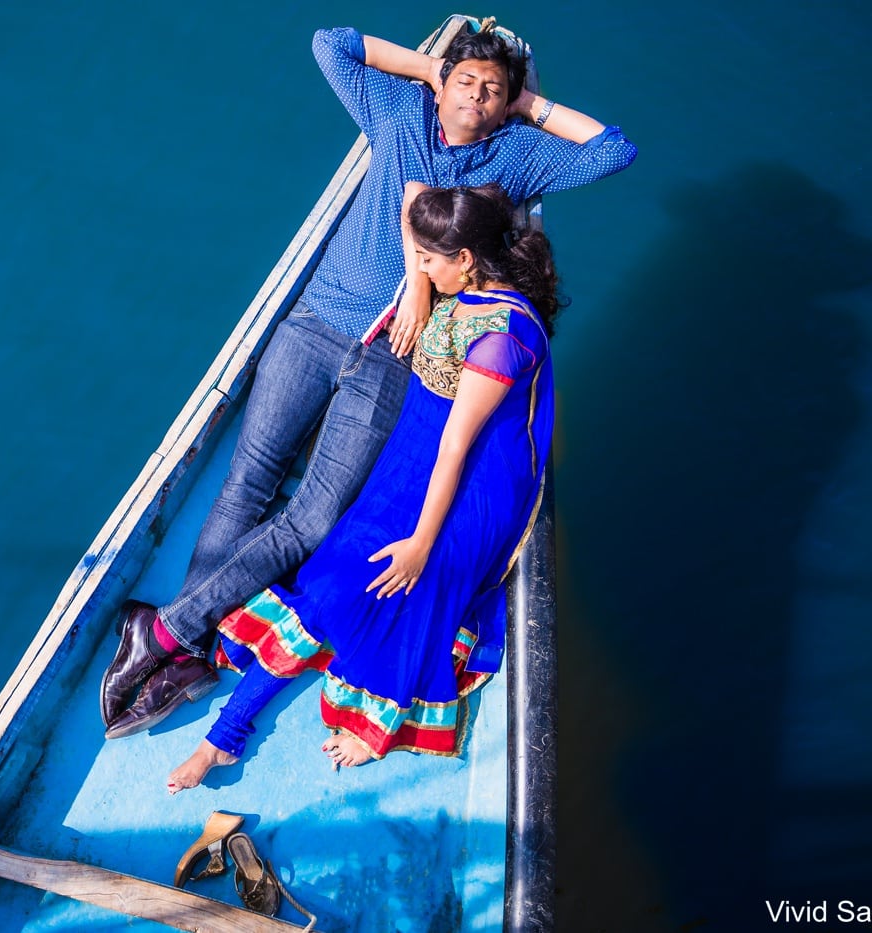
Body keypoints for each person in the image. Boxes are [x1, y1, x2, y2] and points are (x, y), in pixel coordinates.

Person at [101, 21, 635, 738]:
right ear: (442, 84)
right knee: (248, 482)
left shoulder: (516, 157)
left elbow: (614, 150)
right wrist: (429, 70)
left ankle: (168, 632)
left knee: (314, 517)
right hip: (319, 320)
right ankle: (187, 638)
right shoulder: (398, 112)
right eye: (468, 81)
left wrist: (529, 109)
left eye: (495, 89)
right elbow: (331, 43)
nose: (479, 95)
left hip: (395, 358)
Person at [168, 181, 561, 789]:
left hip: (461, 491)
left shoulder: (504, 337)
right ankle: (227, 736)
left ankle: (262, 734)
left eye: (431, 261)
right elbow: (413, 205)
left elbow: (457, 445)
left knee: (373, 592)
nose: (418, 272)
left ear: (465, 259)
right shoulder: (464, 280)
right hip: (412, 461)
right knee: (329, 583)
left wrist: (422, 544)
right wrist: (421, 260)